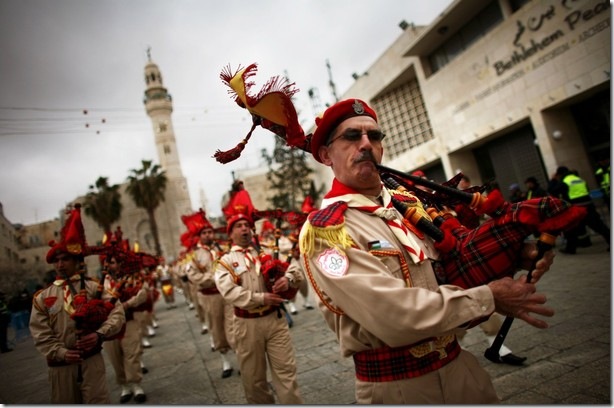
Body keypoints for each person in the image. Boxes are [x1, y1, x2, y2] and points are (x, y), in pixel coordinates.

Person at [298, 98, 555, 404]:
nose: (366, 144)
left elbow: (458, 266)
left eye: (375, 136)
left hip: (462, 371)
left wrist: (513, 254)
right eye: (352, 136)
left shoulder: (408, 206)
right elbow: (392, 315)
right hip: (399, 390)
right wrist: (490, 297)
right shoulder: (328, 231)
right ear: (326, 154)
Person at [29, 204, 125, 404]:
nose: (60, 264)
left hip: (91, 361)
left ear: (76, 261)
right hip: (60, 368)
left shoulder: (92, 287)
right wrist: (61, 353)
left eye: (65, 259)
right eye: (56, 260)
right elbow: (40, 333)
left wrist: (100, 334)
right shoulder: (42, 297)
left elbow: (117, 313)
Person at [214, 213, 304, 404]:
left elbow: (295, 270)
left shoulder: (269, 252)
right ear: (230, 234)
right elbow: (229, 292)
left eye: (247, 225)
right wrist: (260, 298)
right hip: (247, 325)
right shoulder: (225, 262)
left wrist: (287, 280)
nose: (244, 228)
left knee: (286, 372)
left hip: (275, 320)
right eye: (238, 226)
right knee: (254, 379)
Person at [186, 210, 235, 379]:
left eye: (210, 232)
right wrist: (213, 278)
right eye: (204, 233)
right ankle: (225, 361)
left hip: (228, 293)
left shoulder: (222, 248)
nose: (208, 235)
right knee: (216, 327)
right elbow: (194, 277)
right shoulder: (194, 255)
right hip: (210, 296)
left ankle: (241, 357)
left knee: (233, 326)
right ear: (199, 236)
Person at [102, 250, 148, 403]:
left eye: (113, 262)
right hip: (109, 325)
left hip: (128, 321)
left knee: (131, 353)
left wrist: (128, 304)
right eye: (108, 262)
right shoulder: (100, 283)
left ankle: (135, 384)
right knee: (115, 356)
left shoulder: (132, 278)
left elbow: (142, 294)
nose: (110, 265)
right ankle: (124, 386)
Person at [552, 166, 610, 254]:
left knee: (570, 228)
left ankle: (571, 249)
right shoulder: (578, 179)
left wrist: (553, 180)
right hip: (588, 205)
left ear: (559, 174)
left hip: (576, 208)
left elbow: (553, 191)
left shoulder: (564, 181)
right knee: (600, 227)